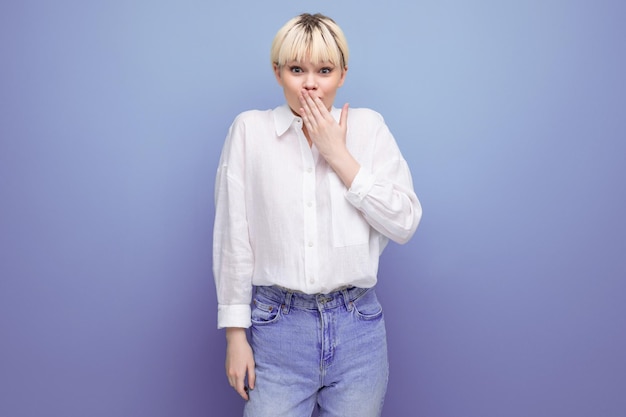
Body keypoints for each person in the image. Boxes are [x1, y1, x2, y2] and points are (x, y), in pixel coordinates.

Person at [213, 12, 422, 417]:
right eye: (297, 69)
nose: (310, 83)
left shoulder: (370, 129)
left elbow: (405, 223)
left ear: (342, 74)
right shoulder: (249, 132)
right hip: (278, 330)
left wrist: (339, 155)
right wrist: (235, 337)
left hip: (358, 328)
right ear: (278, 73)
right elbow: (233, 239)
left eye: (324, 70)